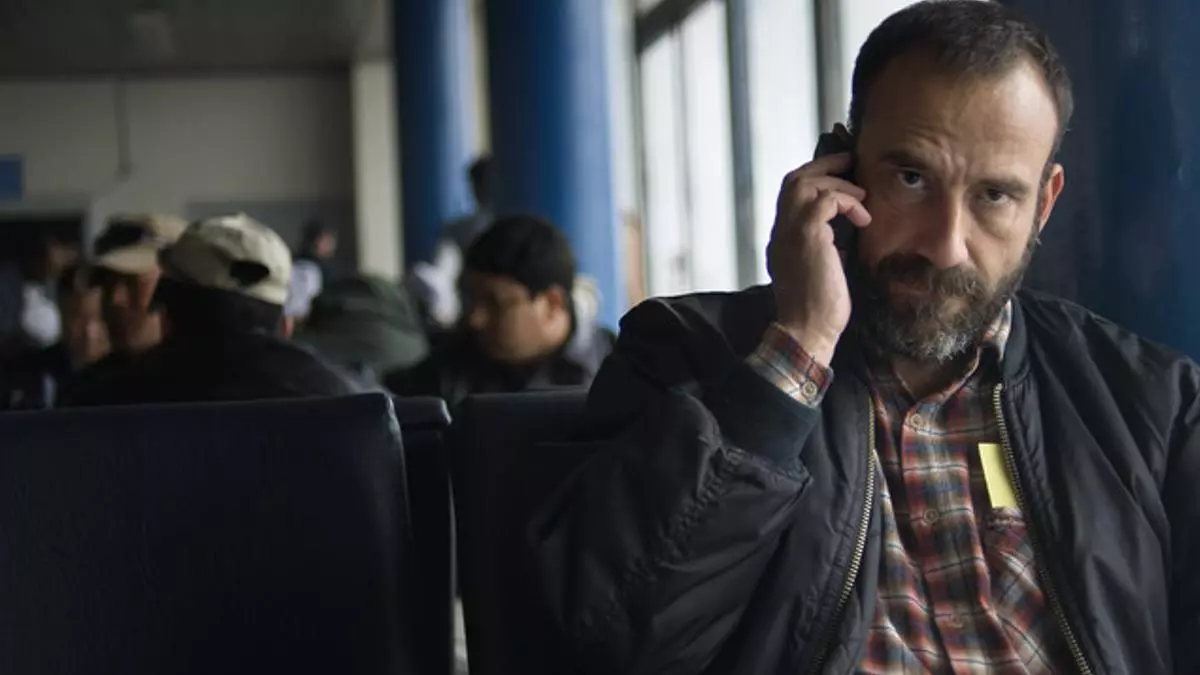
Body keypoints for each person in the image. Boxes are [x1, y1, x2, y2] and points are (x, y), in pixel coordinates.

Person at [530, 3, 1198, 674]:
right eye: (912, 178)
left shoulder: (1150, 402)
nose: (946, 246)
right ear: (840, 168)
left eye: (995, 196)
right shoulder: (683, 352)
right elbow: (612, 631)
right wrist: (798, 348)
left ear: (1043, 204)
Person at [63, 214, 360, 407]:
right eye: (106, 285)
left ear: (166, 305)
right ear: (286, 325)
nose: (115, 300)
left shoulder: (95, 406)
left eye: (133, 282)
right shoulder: (344, 401)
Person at [385, 214, 614, 407]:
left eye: (494, 303)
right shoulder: (447, 370)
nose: (476, 319)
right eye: (469, 299)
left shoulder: (616, 368)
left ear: (552, 303)